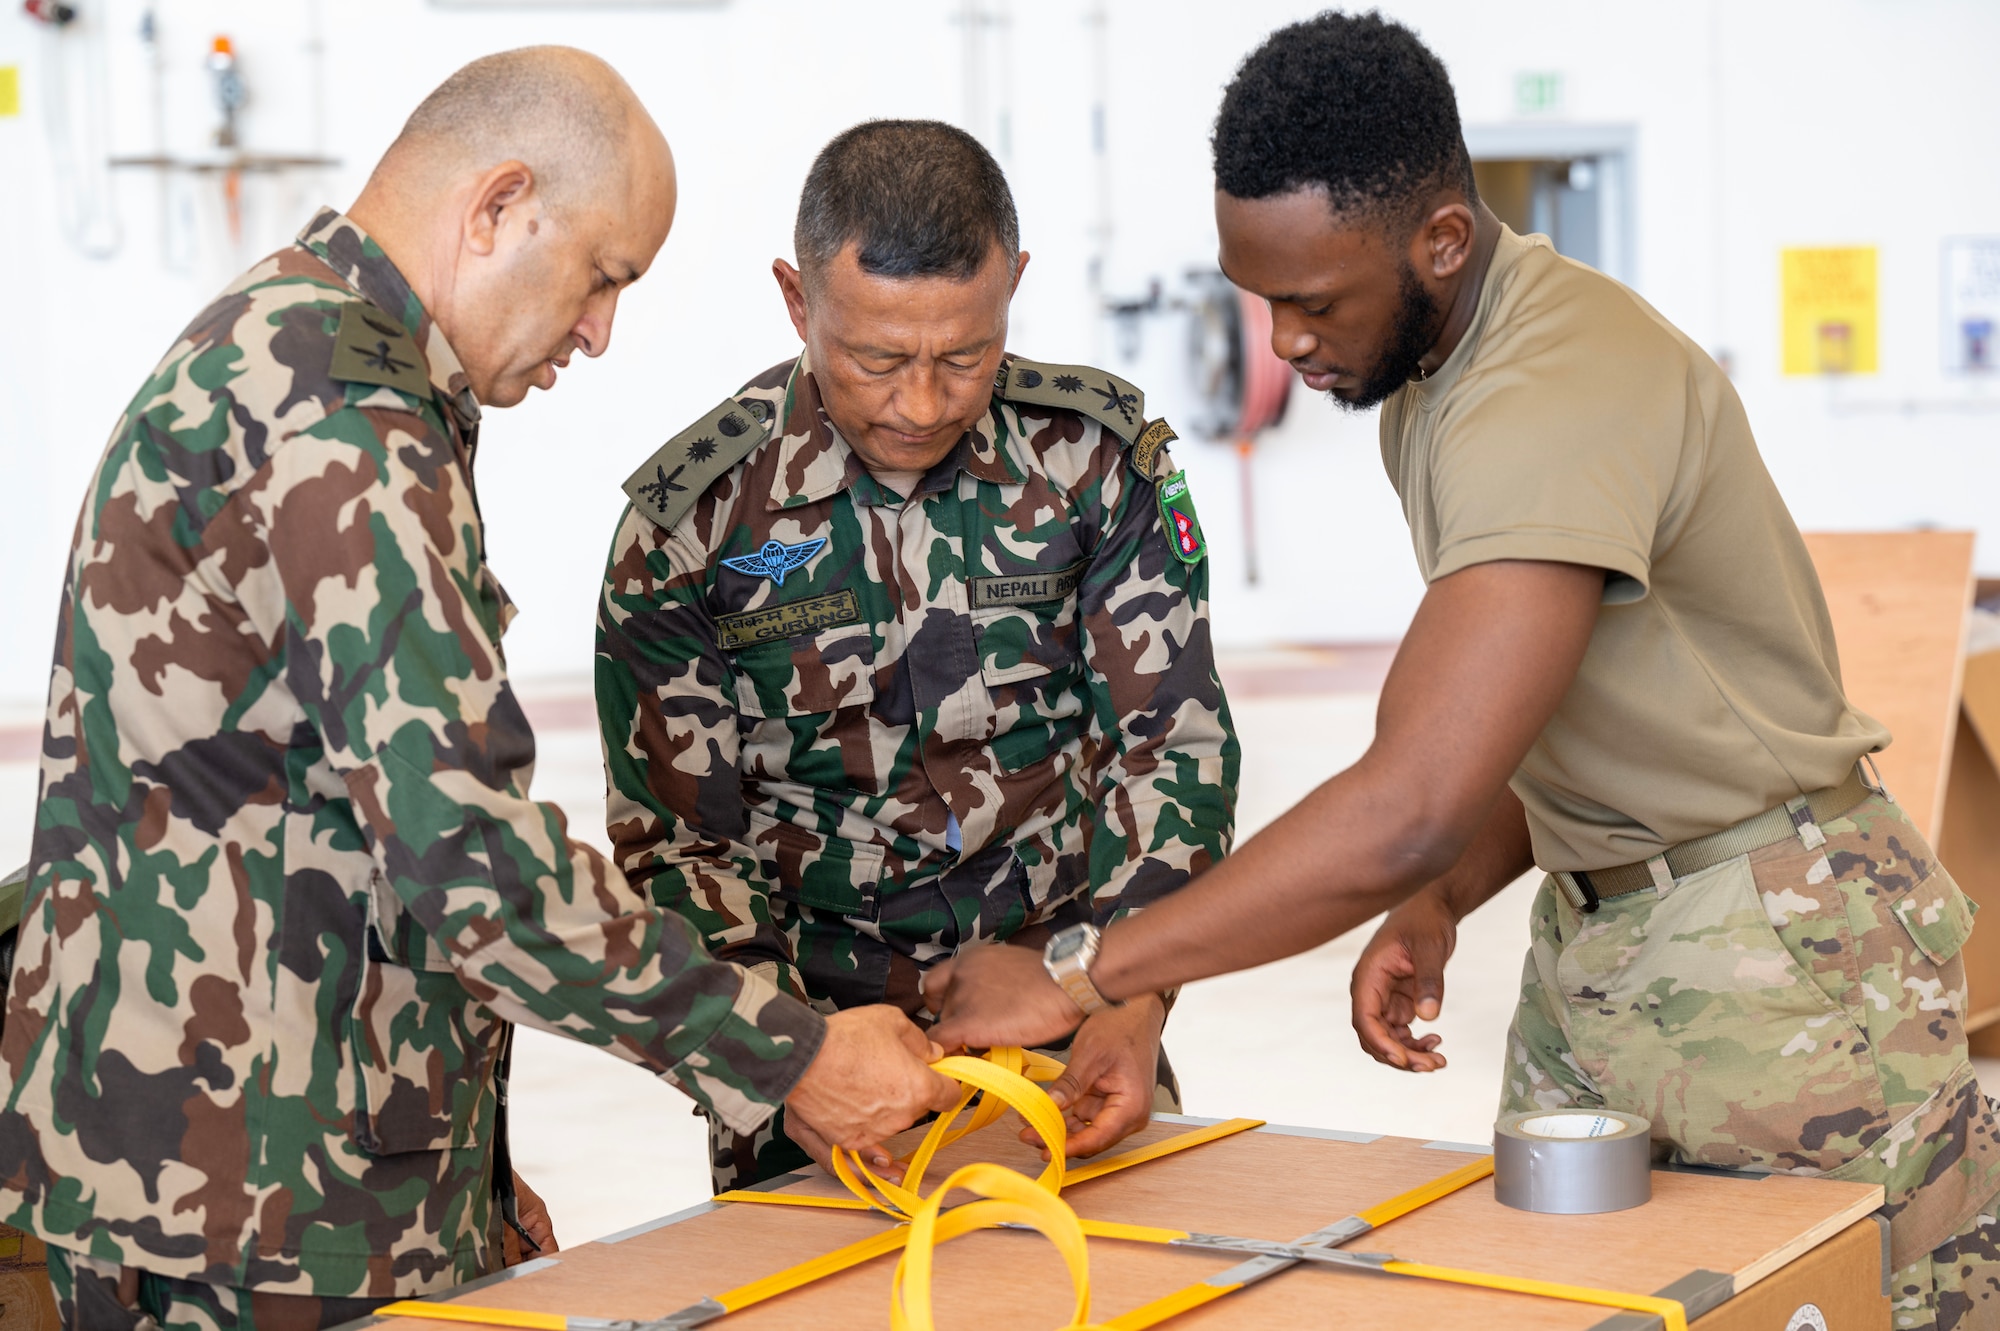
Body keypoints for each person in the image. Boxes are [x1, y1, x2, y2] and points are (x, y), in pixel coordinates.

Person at [927, 14, 2000, 1330]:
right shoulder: (1432, 375)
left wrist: (1079, 968)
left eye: (1315, 301)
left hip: (1779, 946)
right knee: (1563, 1299)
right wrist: (1445, 894)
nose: (1286, 344)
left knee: (1832, 1301)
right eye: (1259, 298)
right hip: (1610, 926)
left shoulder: (1555, 381)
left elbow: (1410, 795)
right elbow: (1525, 717)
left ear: (1440, 239)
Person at [0, 48, 955, 1331]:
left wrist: (464, 1167)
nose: (600, 331)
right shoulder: (343, 416)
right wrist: (788, 1055)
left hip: (235, 1157)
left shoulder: (294, 346)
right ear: (498, 205)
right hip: (248, 1202)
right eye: (602, 276)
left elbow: (332, 831)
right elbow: (469, 859)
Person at [594, 119, 1237, 1191]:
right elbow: (677, 844)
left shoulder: (1093, 464)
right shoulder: (692, 523)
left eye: (964, 355)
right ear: (798, 303)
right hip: (819, 1056)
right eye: (876, 357)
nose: (921, 403)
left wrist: (1129, 995)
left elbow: (1171, 746)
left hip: (1074, 1015)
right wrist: (786, 1064)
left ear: (1012, 288)